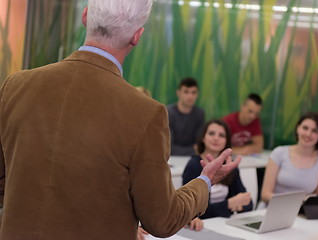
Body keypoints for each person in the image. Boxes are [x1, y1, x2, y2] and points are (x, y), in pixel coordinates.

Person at [0, 1, 241, 240]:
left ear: (85, 17)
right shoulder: (146, 113)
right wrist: (205, 180)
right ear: (137, 36)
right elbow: (162, 219)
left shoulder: (15, 86)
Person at [183, 119, 253, 228]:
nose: (216, 138)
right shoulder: (194, 165)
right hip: (204, 226)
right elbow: (191, 209)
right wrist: (229, 204)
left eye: (221, 135)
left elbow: (248, 202)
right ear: (203, 138)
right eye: (211, 133)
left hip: (225, 224)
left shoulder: (229, 165)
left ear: (227, 141)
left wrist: (237, 204)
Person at [261, 112, 318, 203]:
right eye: (305, 128)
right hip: (272, 207)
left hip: (303, 211)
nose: (308, 134)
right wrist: (292, 203)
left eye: (314, 131)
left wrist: (300, 206)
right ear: (298, 128)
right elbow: (265, 194)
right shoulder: (279, 153)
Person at [167, 77, 205, 156]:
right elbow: (169, 148)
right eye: (186, 92)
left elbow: (200, 146)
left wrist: (198, 150)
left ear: (197, 94)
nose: (190, 96)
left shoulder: (200, 114)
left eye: (193, 92)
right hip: (171, 159)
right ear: (178, 93)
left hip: (193, 159)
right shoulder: (168, 113)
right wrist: (194, 151)